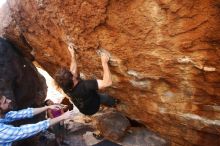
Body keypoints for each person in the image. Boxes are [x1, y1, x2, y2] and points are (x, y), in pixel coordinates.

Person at [54, 45, 118, 116]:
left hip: (83, 108)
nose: (71, 71)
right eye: (71, 74)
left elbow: (73, 71)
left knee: (92, 96)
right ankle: (114, 103)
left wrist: (73, 55)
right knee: (105, 97)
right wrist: (104, 63)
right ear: (73, 78)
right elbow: (107, 83)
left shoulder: (64, 86)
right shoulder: (85, 86)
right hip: (93, 108)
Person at [0, 95, 74, 146]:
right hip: (56, 122)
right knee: (58, 132)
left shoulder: (4, 115)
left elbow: (24, 113)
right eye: (5, 102)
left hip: (58, 121)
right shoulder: (1, 131)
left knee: (61, 131)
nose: (9, 100)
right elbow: (24, 131)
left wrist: (47, 107)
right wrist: (62, 117)